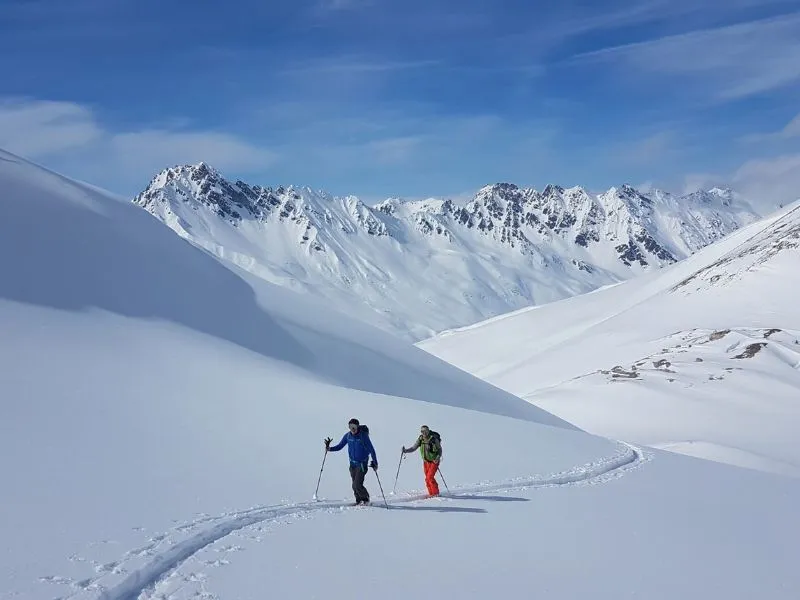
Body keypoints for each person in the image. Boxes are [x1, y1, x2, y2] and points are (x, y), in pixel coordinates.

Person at [325, 418, 378, 505]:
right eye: (350, 427)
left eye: (354, 426)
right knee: (354, 485)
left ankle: (365, 499)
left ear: (358, 427)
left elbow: (372, 450)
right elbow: (340, 446)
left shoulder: (363, 436)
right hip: (352, 464)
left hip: (362, 464)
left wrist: (375, 462)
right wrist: (330, 449)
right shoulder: (348, 436)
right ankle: (358, 500)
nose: (352, 429)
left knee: (357, 484)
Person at [402, 425, 442, 496]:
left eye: (425, 431)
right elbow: (414, 448)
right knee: (427, 479)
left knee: (430, 477)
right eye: (422, 431)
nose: (424, 433)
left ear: (428, 431)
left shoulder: (434, 439)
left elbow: (439, 449)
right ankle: (431, 494)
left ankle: (435, 494)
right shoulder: (421, 439)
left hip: (434, 461)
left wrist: (438, 457)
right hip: (426, 462)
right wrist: (406, 451)